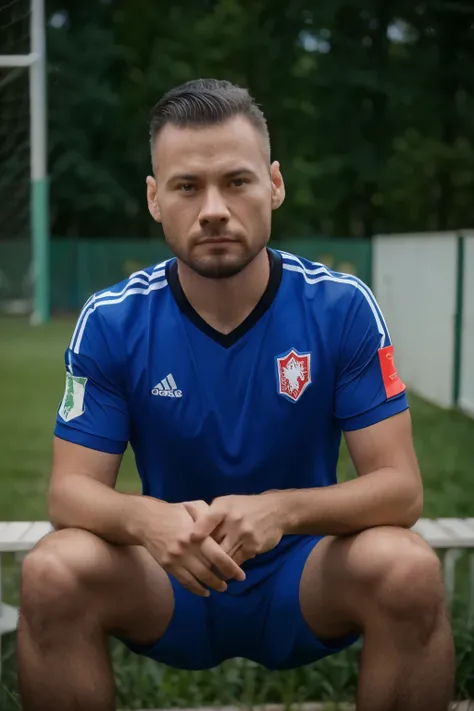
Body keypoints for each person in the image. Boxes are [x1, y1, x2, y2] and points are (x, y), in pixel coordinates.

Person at [17, 78, 454, 711]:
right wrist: (149, 520)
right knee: (53, 570)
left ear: (274, 184)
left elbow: (401, 489)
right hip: (172, 577)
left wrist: (280, 511)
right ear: (154, 198)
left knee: (408, 568)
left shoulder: (340, 306)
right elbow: (69, 492)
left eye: (237, 181)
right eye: (188, 186)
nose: (214, 208)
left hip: (304, 576)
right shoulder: (113, 319)